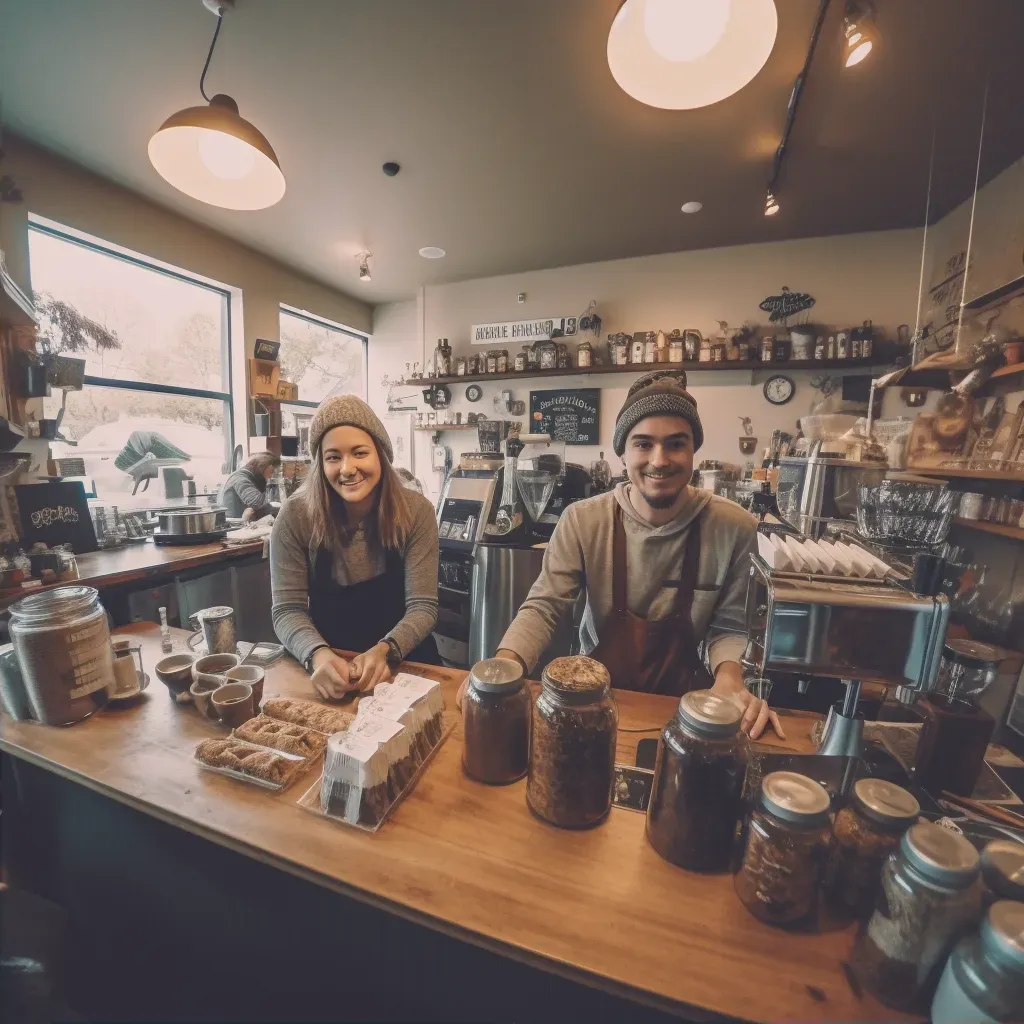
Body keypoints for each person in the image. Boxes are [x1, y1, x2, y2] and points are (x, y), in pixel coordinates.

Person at [494, 370, 783, 739]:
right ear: (623, 453)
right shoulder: (584, 521)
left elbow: (729, 625)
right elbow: (544, 605)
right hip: (591, 704)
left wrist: (729, 680)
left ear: (693, 449)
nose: (659, 460)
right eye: (643, 444)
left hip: (688, 713)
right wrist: (505, 664)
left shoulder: (733, 526)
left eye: (676, 444)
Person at [270, 395, 440, 699]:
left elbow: (423, 607)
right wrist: (316, 654)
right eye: (333, 457)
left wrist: (386, 650)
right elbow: (287, 610)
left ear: (381, 456)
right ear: (320, 464)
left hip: (406, 664)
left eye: (360, 453)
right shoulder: (296, 516)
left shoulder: (417, 512)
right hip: (329, 671)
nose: (347, 468)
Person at [219, 452, 280, 521]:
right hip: (235, 525)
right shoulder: (240, 478)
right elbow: (258, 502)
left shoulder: (250, 478)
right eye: (272, 471)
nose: (272, 475)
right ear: (262, 466)